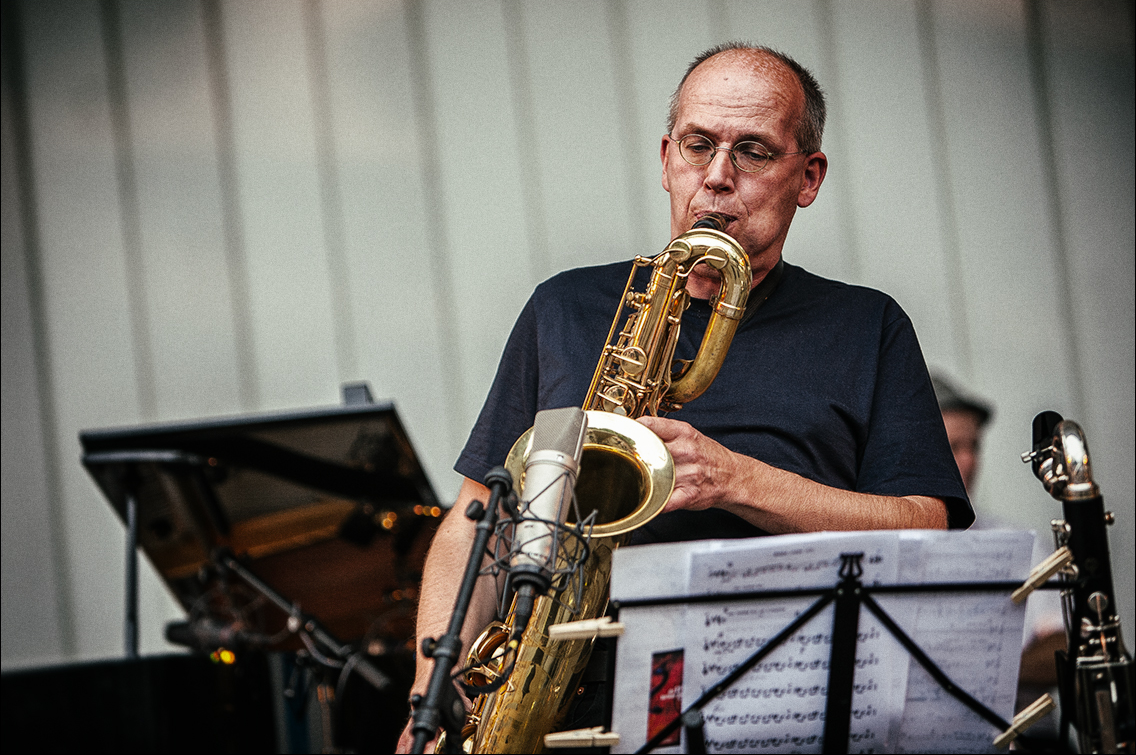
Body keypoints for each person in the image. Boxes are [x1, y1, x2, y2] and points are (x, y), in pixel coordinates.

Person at [397, 43, 972, 751]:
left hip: (791, 716)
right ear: (668, 157)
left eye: (754, 151)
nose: (718, 177)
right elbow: (476, 516)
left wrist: (738, 479)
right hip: (569, 718)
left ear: (808, 176)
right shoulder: (566, 308)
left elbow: (925, 526)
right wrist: (432, 690)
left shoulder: (868, 324)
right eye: (699, 145)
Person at [930, 373, 1064, 693]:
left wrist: (977, 674)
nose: (970, 460)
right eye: (953, 447)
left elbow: (1065, 644)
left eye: (974, 446)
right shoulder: (881, 547)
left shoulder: (1018, 541)